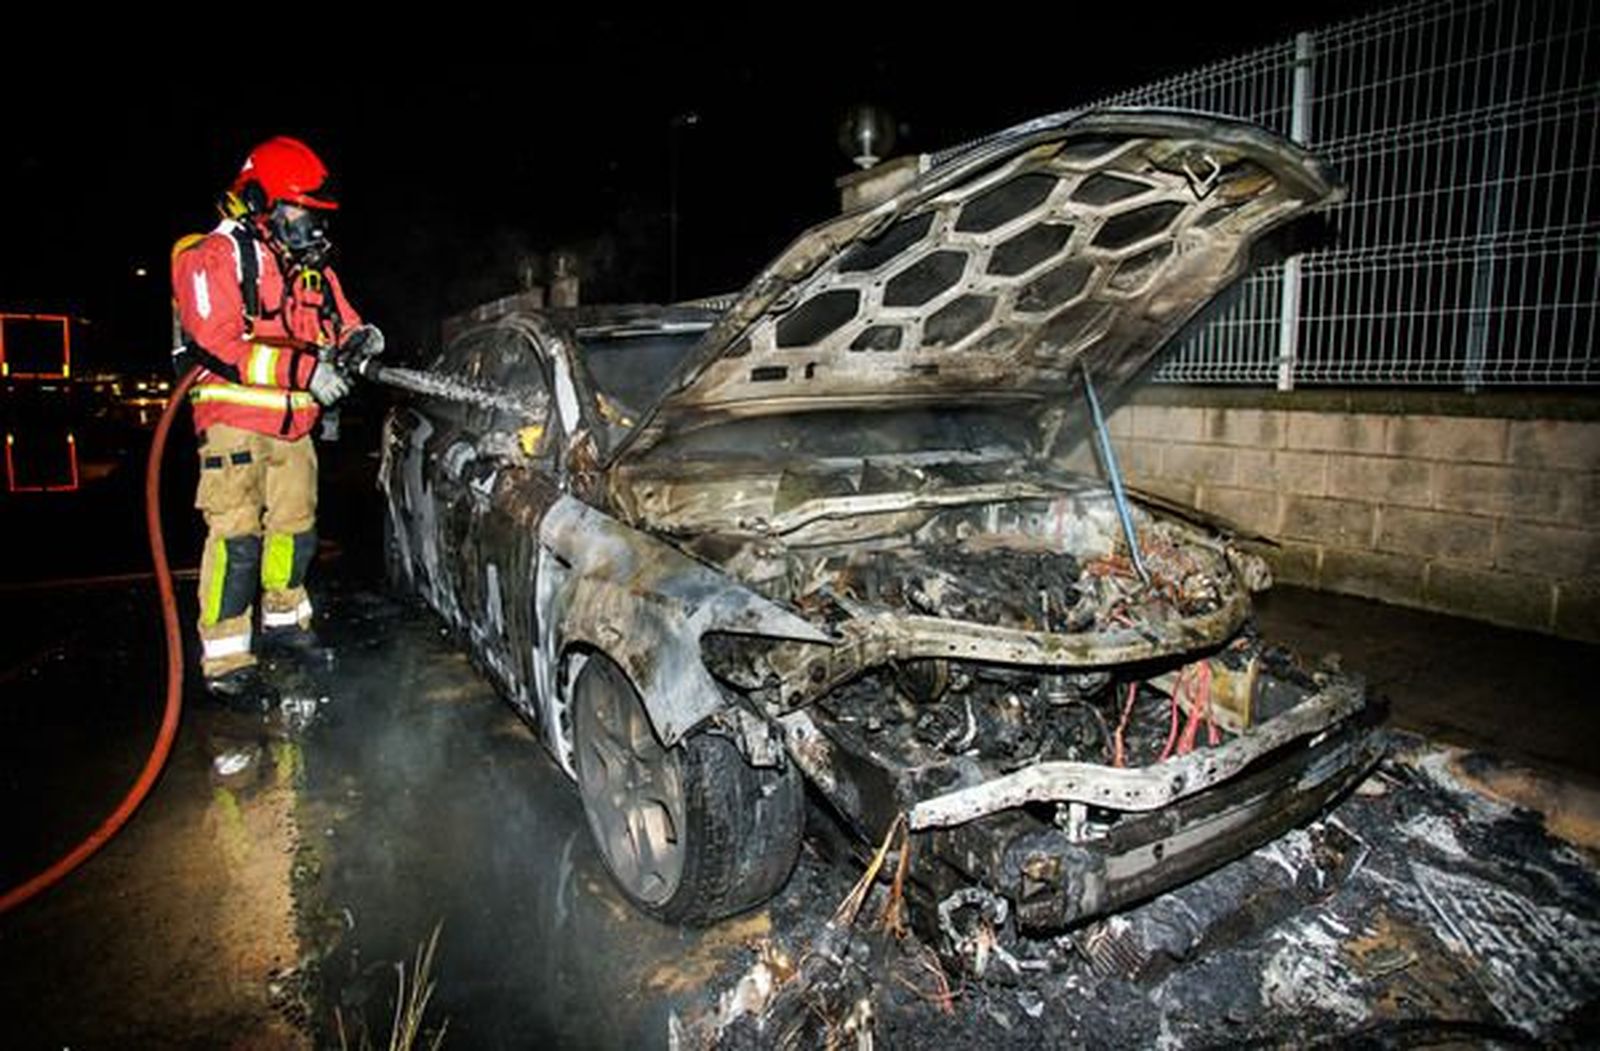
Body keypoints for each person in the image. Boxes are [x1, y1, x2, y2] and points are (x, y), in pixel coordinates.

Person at [170, 135, 384, 705]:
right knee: (238, 541)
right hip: (234, 425)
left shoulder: (308, 269)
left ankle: (287, 631)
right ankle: (227, 661)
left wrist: (361, 341)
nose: (311, 226)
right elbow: (216, 344)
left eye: (316, 215)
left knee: (295, 532)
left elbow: (344, 322)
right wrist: (306, 373)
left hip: (294, 429)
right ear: (261, 200)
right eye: (300, 211)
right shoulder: (212, 257)